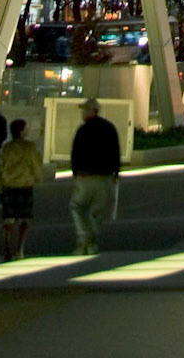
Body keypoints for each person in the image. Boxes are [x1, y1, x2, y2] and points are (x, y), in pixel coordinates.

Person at [69, 97, 122, 255]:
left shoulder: (83, 130)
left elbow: (75, 152)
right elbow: (116, 151)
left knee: (76, 207)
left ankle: (83, 239)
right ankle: (91, 243)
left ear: (94, 111)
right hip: (105, 177)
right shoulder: (109, 128)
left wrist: (75, 172)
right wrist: (115, 173)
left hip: (85, 177)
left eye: (85, 110)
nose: (83, 113)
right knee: (95, 212)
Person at [0, 116, 44, 260]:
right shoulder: (30, 147)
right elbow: (35, 165)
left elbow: (2, 166)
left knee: (8, 219)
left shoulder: (7, 147)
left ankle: (6, 248)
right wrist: (38, 178)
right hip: (24, 185)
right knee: (24, 219)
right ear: (23, 132)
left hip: (8, 185)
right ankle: (19, 249)